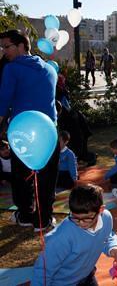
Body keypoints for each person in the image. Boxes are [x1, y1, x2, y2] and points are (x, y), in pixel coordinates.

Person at [0, 29, 59, 231]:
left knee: (21, 176)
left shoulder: (12, 68)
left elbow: (3, 102)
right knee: (47, 178)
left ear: (21, 46)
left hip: (23, 131)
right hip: (48, 132)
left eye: (7, 46)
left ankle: (25, 215)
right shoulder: (49, 69)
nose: (4, 51)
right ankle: (43, 220)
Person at [31, 183, 117, 286]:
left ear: (101, 210)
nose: (81, 223)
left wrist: (112, 247)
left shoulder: (106, 218)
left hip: (87, 276)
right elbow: (43, 270)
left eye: (87, 218)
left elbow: (106, 236)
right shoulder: (62, 237)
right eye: (75, 218)